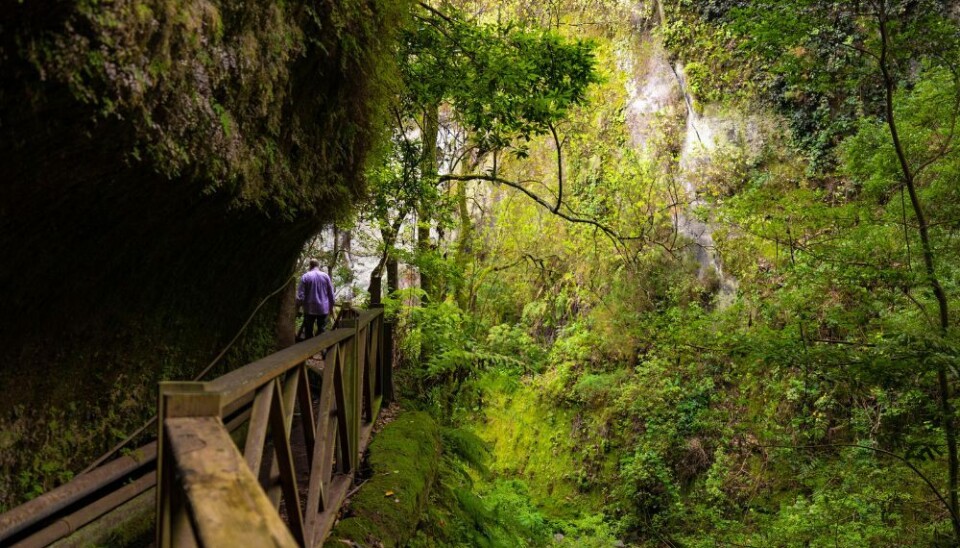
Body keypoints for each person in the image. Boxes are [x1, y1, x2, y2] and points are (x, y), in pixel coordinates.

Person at [296, 258, 335, 338]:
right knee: (321, 330)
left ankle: (309, 348)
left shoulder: (305, 277)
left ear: (310, 266)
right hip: (323, 308)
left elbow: (301, 295)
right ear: (318, 266)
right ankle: (320, 349)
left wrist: (299, 306)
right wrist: (331, 307)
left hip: (309, 308)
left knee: (308, 331)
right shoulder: (325, 276)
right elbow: (331, 294)